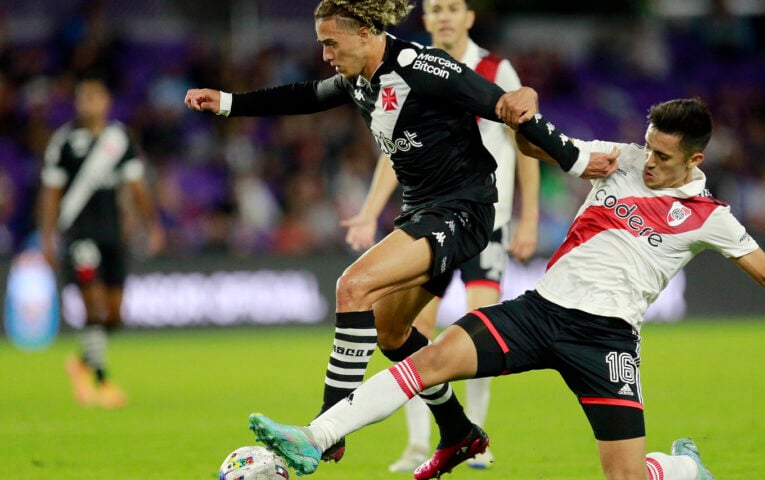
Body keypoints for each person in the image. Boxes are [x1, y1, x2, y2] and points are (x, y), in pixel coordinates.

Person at [246, 97, 765, 480]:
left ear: (696, 162)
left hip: (606, 340)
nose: (648, 160)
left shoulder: (711, 216)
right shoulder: (623, 157)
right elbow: (538, 144)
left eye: (663, 156)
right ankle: (315, 437)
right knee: (429, 357)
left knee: (627, 476)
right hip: (539, 311)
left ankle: (678, 467)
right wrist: (528, 122)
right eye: (648, 147)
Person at [184, 0, 611, 466]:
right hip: (422, 212)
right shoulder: (359, 80)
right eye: (322, 44)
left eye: (331, 43)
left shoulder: (421, 66)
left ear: (365, 31)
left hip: (463, 210)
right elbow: (305, 96)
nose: (326, 54)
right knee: (392, 333)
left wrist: (577, 160)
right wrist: (227, 102)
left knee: (353, 285)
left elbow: (506, 108)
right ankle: (459, 430)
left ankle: (325, 428)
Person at [339, 0, 540, 471]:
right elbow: (394, 149)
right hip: (432, 222)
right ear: (425, 20)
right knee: (411, 332)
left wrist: (528, 218)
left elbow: (523, 143)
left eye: (454, 8)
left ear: (469, 18)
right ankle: (417, 441)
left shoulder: (495, 68)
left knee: (478, 324)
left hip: (485, 223)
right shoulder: (405, 68)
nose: (445, 16)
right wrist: (369, 212)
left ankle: (478, 438)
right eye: (436, 9)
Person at [38, 74, 165, 409]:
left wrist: (152, 225)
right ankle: (101, 381)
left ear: (107, 102)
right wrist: (47, 239)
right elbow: (51, 193)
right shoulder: (65, 141)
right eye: (84, 97)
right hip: (79, 233)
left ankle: (81, 361)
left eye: (96, 97)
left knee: (114, 316)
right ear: (77, 103)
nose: (90, 103)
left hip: (113, 235)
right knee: (92, 306)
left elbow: (137, 186)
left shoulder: (119, 138)